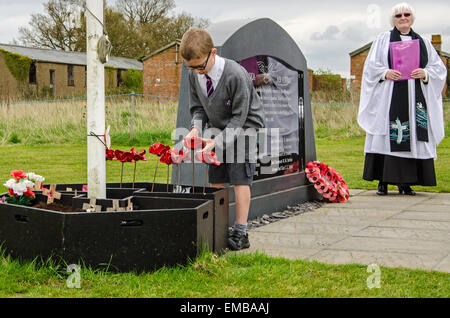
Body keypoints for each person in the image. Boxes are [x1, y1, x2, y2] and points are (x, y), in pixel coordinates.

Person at [180, 28, 265, 250]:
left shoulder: (235, 74)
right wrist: (195, 129)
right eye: (192, 67)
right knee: (216, 177)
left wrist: (216, 142)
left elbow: (240, 117)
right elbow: (197, 108)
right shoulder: (193, 74)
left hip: (245, 126)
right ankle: (220, 227)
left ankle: (241, 232)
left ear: (213, 53)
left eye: (200, 66)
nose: (197, 72)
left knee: (239, 177)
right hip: (217, 127)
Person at [358, 2, 447, 196]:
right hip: (389, 96)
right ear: (393, 19)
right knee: (385, 135)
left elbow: (438, 68)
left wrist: (424, 72)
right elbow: (371, 67)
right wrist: (385, 73)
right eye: (398, 16)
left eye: (406, 14)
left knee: (412, 136)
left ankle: (406, 183)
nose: (403, 18)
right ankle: (382, 181)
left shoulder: (422, 41)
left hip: (415, 97)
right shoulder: (383, 40)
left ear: (412, 18)